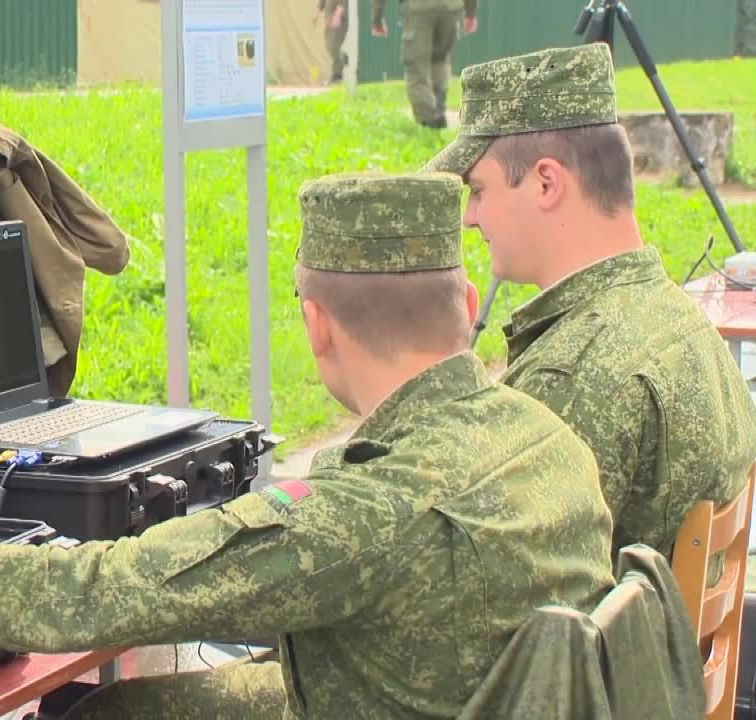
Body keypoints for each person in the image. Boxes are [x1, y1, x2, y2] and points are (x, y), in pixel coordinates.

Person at [0, 172, 616, 719]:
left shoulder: (365, 516)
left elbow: (93, 596)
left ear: (318, 325)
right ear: (467, 306)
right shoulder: (548, 439)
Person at [425, 43, 756, 568]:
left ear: (546, 182)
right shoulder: (678, 316)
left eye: (479, 190)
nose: (469, 216)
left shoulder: (576, 378)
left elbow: (486, 584)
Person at [370, 0, 478, 128]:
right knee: (440, 59)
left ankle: (428, 121)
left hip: (419, 8)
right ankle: (438, 111)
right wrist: (471, 13)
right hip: (451, 8)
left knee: (417, 65)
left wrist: (377, 19)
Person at [314, 0, 349, 84]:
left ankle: (338, 74)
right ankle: (339, 70)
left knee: (335, 46)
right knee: (329, 46)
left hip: (339, 21)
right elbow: (322, 3)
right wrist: (316, 15)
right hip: (329, 21)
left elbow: (342, 3)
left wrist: (337, 16)